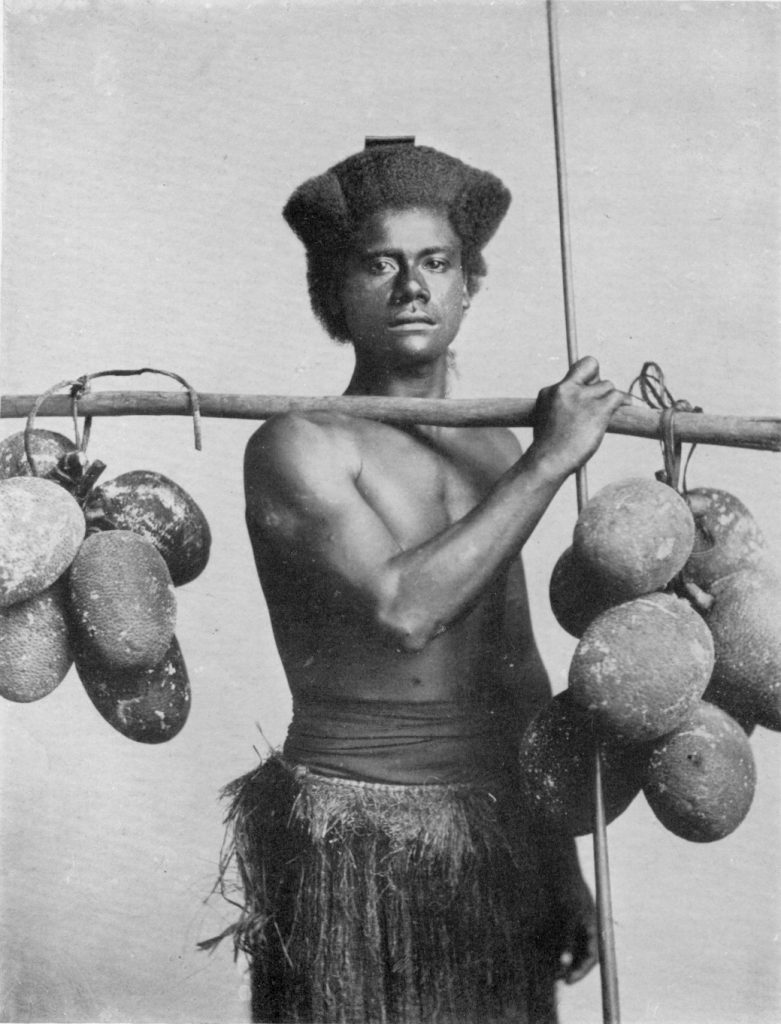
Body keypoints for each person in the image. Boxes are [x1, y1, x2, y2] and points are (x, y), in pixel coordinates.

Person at [216, 138, 628, 1024]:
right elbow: (404, 610)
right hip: (354, 837)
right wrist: (551, 463)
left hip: (495, 835)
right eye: (380, 264)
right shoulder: (300, 443)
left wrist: (562, 866)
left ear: (468, 285)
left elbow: (514, 667)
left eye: (436, 262)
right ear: (336, 292)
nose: (412, 286)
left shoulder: (494, 448)